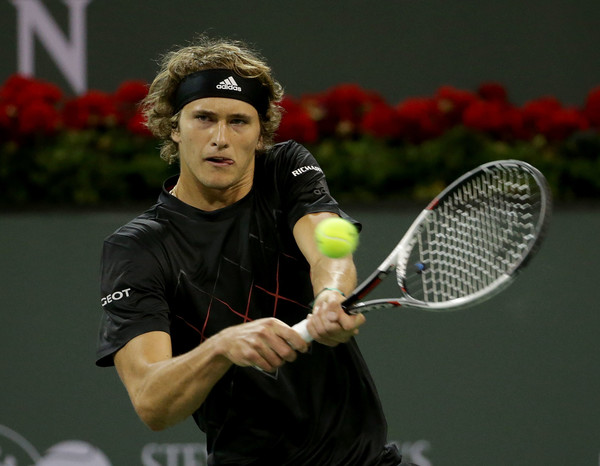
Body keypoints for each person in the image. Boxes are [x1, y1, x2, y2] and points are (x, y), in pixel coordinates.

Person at [96, 35, 412, 466]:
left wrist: (331, 295)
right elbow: (153, 402)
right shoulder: (138, 248)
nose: (220, 138)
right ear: (174, 125)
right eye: (204, 117)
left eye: (239, 121)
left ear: (261, 132)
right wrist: (221, 347)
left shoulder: (285, 170)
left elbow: (326, 244)